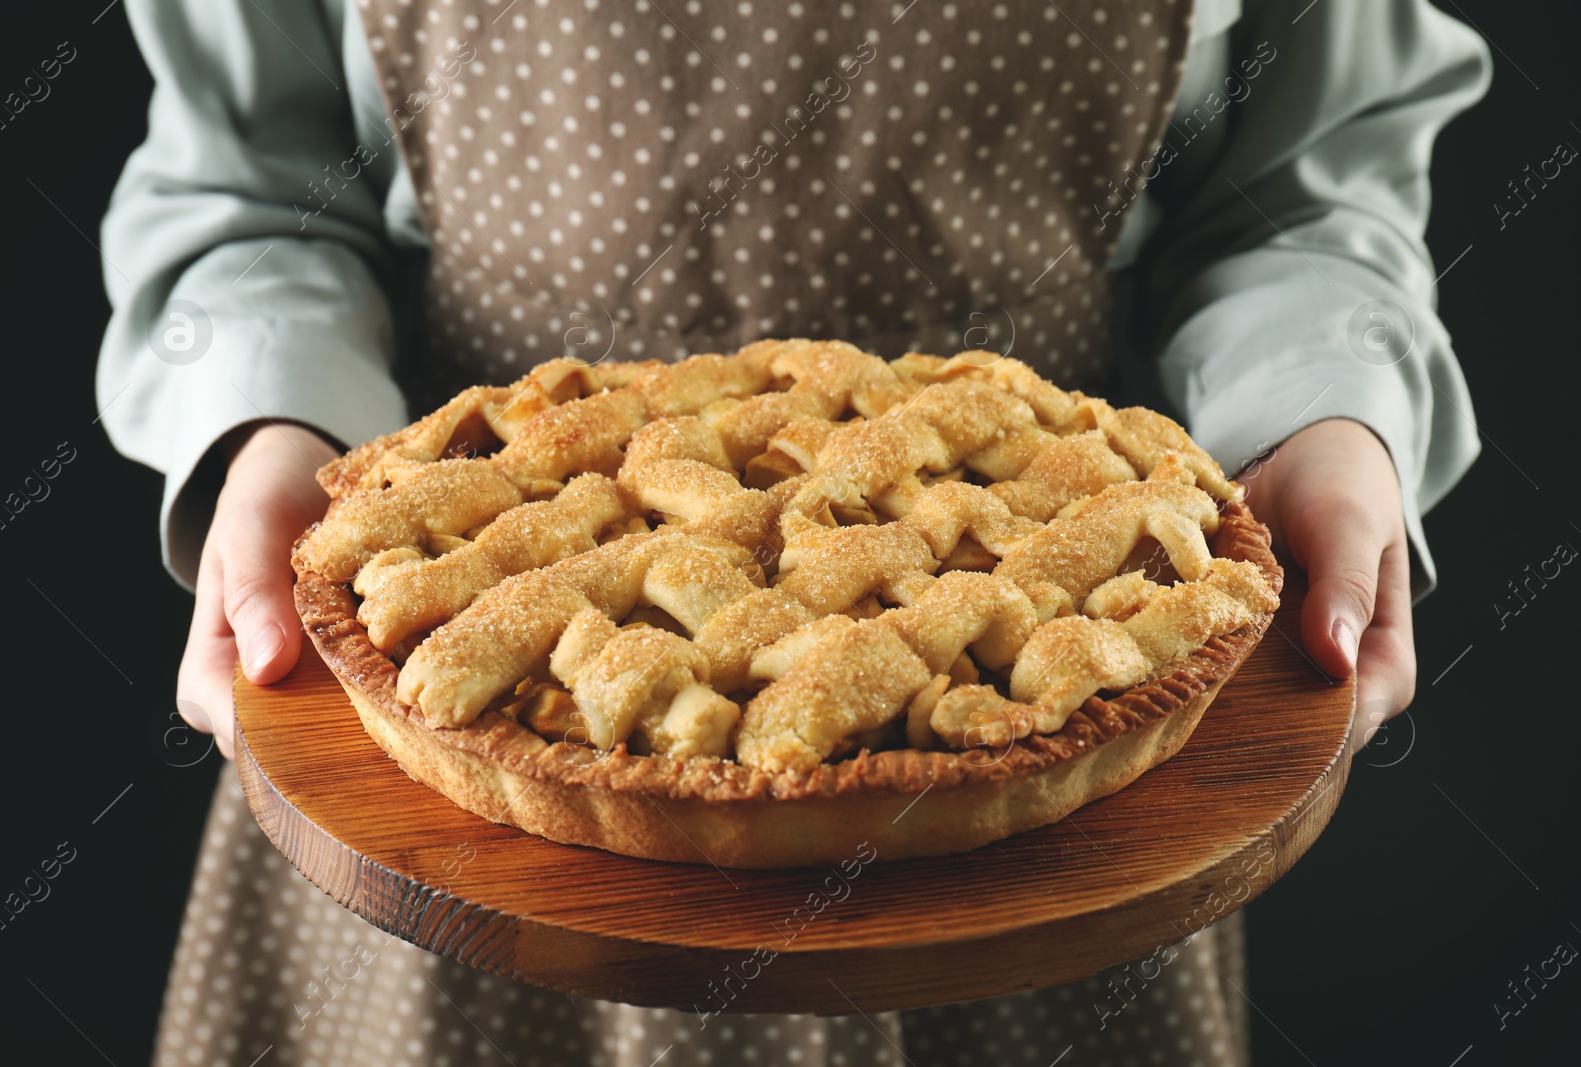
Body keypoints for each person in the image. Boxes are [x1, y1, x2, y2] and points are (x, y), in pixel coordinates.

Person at [96, 0, 1490, 1063]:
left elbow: (1306, 190)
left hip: (1034, 829)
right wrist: (271, 429)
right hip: (472, 794)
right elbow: (253, 189)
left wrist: (1323, 417)